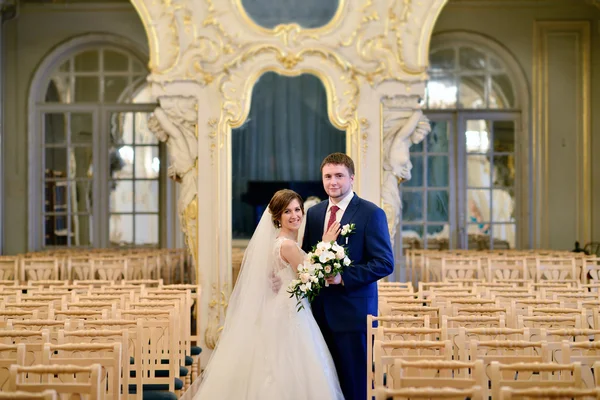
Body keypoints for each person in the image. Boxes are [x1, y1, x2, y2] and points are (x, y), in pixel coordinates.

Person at [194, 189, 344, 400]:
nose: (295, 215)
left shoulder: (277, 242)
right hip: (291, 312)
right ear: (277, 217)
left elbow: (273, 276)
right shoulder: (288, 246)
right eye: (287, 211)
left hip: (281, 307)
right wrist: (327, 244)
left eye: (297, 209)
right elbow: (312, 276)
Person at [301, 153, 395, 400]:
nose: (333, 182)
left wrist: (343, 277)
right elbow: (309, 257)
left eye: (339, 176)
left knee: (355, 386)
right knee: (324, 385)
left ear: (352, 178)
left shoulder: (370, 213)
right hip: (319, 313)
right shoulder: (315, 213)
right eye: (328, 176)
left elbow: (384, 263)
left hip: (353, 314)